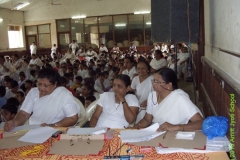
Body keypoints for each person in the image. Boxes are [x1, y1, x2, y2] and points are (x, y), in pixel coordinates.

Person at [4, 68, 80, 131]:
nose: (41, 88)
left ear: (55, 84)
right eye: (39, 84)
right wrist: (14, 122)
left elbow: (72, 118)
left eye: (45, 85)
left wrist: (54, 125)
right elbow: (24, 114)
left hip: (55, 130)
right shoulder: (33, 92)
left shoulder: (63, 94)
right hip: (33, 128)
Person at [132, 68, 203, 131]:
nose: (153, 84)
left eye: (158, 82)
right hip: (156, 132)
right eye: (153, 80)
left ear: (169, 85)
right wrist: (135, 128)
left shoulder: (179, 98)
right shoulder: (152, 96)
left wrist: (176, 127)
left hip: (173, 135)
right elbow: (147, 119)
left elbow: (200, 123)